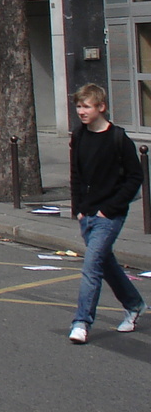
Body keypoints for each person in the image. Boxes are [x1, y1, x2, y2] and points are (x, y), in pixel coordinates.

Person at [68, 84, 145, 343]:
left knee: (91, 268)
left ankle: (81, 322)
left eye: (87, 106)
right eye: (79, 106)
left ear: (101, 107)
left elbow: (135, 177)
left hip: (109, 216)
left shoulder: (119, 138)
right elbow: (76, 174)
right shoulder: (79, 136)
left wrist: (109, 209)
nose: (81, 111)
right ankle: (134, 304)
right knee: (106, 264)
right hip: (87, 214)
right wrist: (78, 208)